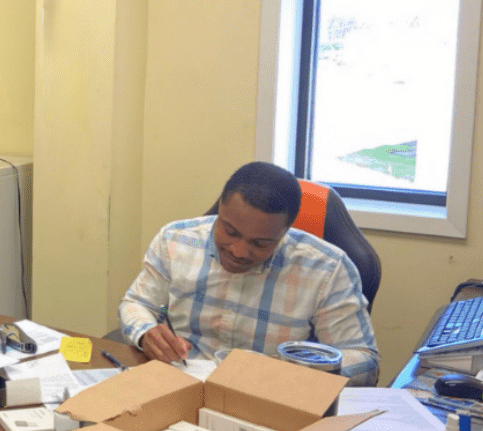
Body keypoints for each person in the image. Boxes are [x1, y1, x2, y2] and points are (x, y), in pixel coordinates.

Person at [118, 161, 380, 386]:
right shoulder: (175, 240)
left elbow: (364, 360)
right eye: (230, 232)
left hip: (272, 394)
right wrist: (146, 332)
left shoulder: (328, 269)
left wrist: (299, 369)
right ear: (221, 208)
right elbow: (136, 303)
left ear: (285, 231)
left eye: (261, 243)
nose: (239, 252)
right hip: (182, 382)